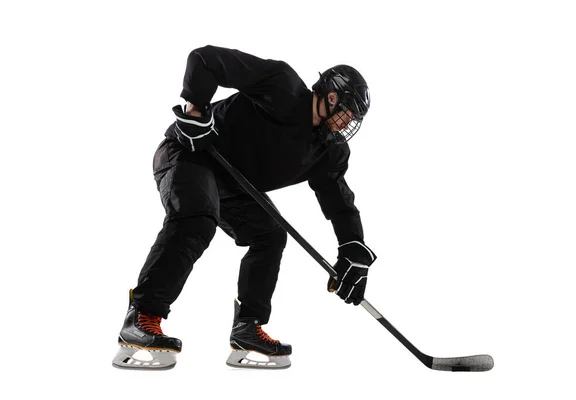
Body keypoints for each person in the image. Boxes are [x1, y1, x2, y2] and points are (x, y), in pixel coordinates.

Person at [112, 45, 377, 370]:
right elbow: (205, 59)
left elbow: (339, 200)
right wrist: (196, 111)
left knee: (270, 235)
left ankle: (247, 328)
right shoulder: (282, 85)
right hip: (190, 153)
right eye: (347, 112)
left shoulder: (328, 151)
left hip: (231, 182)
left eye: (354, 119)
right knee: (197, 219)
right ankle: (142, 316)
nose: (347, 123)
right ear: (331, 98)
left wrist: (354, 250)